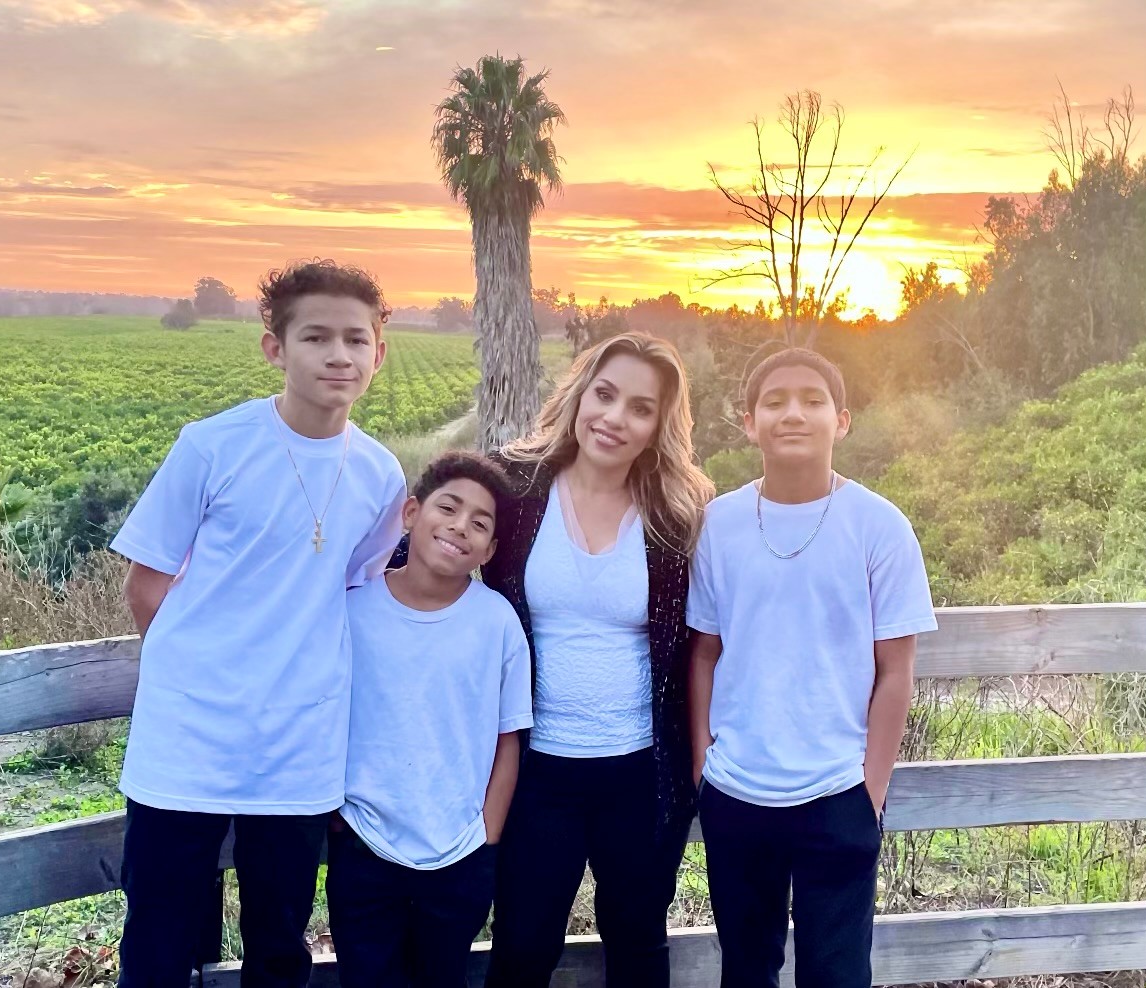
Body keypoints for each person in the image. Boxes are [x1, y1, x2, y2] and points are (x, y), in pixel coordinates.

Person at [110, 260, 407, 988]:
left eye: (355, 339)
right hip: (187, 740)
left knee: (279, 940)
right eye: (315, 337)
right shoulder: (212, 446)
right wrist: (203, 672)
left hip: (298, 747)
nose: (338, 355)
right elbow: (145, 583)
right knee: (157, 932)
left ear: (378, 352)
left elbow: (353, 588)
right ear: (274, 347)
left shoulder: (380, 476)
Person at [687, 347, 938, 988]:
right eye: (774, 401)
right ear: (749, 423)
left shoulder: (880, 527)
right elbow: (705, 652)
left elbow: (896, 669)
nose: (792, 413)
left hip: (838, 792)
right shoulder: (718, 525)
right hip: (738, 789)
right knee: (747, 967)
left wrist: (869, 791)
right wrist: (702, 764)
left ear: (842, 420)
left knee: (837, 972)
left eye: (812, 399)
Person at [481, 332, 716, 988]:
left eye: (639, 408)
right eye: (604, 394)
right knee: (523, 945)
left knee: (638, 943)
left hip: (642, 773)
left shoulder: (677, 515)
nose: (614, 418)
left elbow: (711, 636)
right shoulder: (513, 487)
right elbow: (424, 554)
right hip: (535, 771)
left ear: (657, 427)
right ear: (579, 394)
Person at [328, 450, 534, 988]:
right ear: (412, 513)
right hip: (364, 845)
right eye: (449, 507)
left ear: (489, 549)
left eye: (479, 523)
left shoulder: (497, 623)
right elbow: (324, 716)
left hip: (459, 854)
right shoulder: (353, 610)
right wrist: (339, 818)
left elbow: (508, 738)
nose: (460, 526)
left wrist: (486, 838)